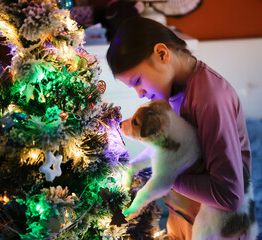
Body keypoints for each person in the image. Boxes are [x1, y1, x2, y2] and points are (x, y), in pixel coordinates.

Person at [106, 17, 252, 240]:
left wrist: (167, 178)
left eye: (138, 80)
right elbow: (171, 149)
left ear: (162, 54)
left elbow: (229, 196)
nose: (140, 94)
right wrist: (136, 167)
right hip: (182, 220)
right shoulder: (172, 93)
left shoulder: (209, 99)